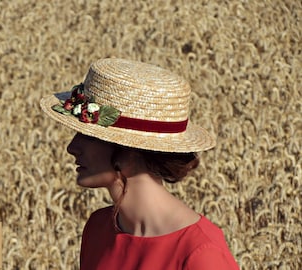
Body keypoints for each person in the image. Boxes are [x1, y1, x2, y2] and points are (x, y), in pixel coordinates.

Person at [40, 58, 239, 269]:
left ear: (131, 152)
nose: (72, 147)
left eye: (88, 137)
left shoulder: (201, 253)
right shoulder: (98, 229)